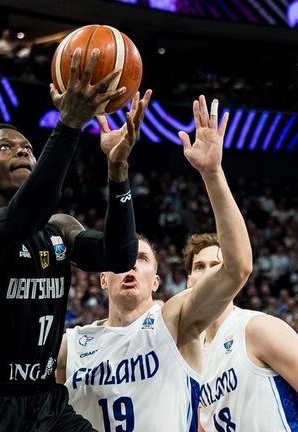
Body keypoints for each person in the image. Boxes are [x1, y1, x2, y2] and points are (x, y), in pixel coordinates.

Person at [0, 47, 150, 432]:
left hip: (48, 401)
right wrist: (70, 123)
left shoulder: (60, 226)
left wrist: (118, 170)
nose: (22, 149)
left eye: (27, 146)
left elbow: (120, 255)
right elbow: (19, 221)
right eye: (5, 146)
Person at [58, 96, 253, 431]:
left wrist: (212, 173)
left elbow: (237, 269)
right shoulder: (71, 345)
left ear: (156, 281)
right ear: (103, 278)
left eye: (142, 258)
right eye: (122, 259)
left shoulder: (176, 320)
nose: (130, 265)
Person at [197, 253, 298, 426]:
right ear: (189, 281)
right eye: (199, 266)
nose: (208, 272)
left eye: (216, 265)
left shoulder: (257, 327)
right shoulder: (192, 355)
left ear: (231, 277)